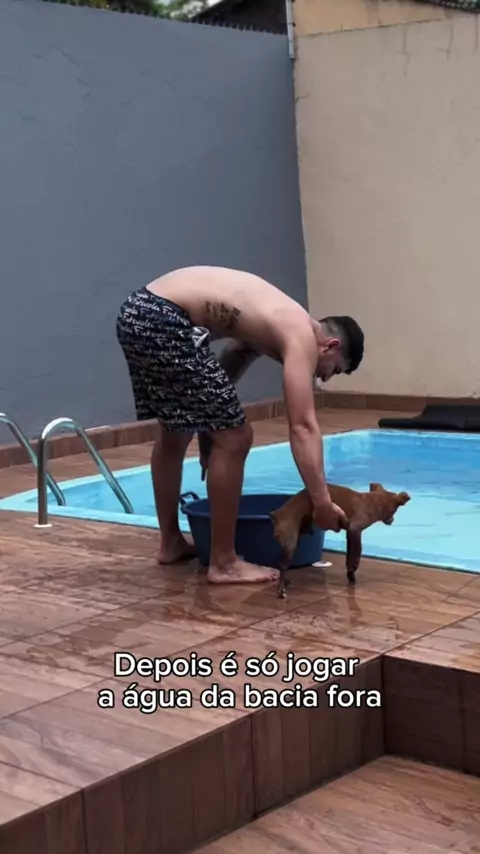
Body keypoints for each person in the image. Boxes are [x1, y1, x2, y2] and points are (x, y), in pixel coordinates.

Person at [116, 266, 364, 585]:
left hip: (138, 311)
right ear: (330, 346)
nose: (325, 378)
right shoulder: (301, 335)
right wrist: (321, 502)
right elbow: (303, 426)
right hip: (164, 319)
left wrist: (209, 432)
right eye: (335, 370)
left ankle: (171, 543)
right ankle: (224, 563)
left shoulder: (272, 322)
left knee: (177, 429)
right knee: (237, 437)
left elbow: (229, 364)